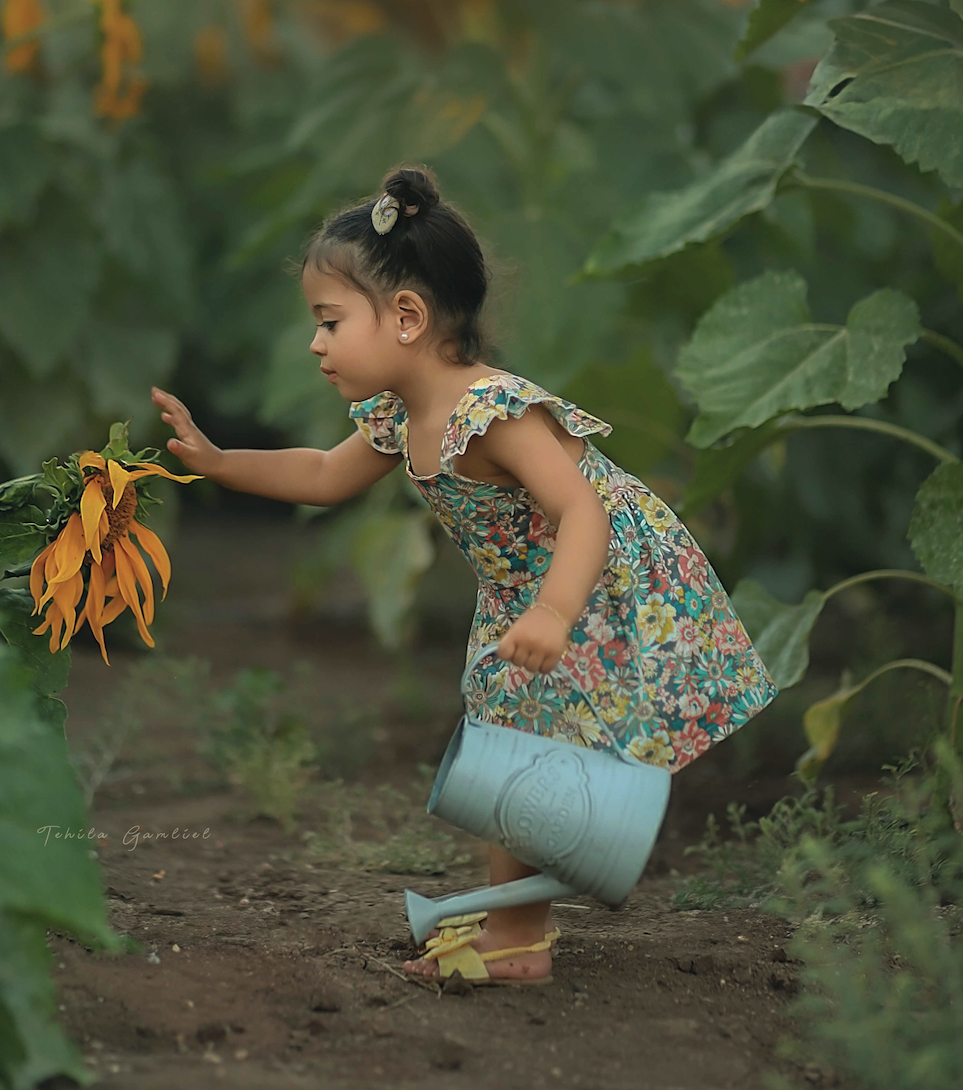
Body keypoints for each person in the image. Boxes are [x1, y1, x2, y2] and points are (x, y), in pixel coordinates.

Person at [151, 163, 777, 986]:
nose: (316, 343)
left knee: (524, 749)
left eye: (330, 322)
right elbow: (321, 476)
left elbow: (583, 512)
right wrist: (220, 462)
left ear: (406, 317)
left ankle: (519, 934)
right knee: (509, 745)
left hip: (597, 581)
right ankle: (517, 930)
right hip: (525, 594)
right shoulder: (398, 415)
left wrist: (555, 612)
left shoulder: (493, 411)